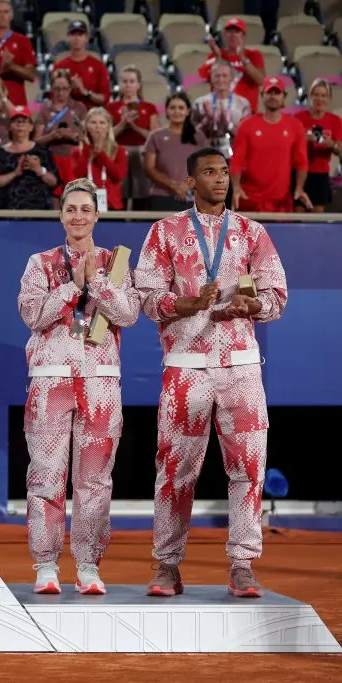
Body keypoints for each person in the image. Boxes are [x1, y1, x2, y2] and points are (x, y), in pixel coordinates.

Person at [135, 147, 288, 599]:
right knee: (175, 470)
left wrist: (250, 305)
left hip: (241, 366)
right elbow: (145, 295)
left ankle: (242, 564)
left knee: (248, 468)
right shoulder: (165, 232)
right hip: (185, 367)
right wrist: (187, 304)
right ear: (190, 183)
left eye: (223, 172)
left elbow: (277, 294)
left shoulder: (251, 232)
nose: (219, 179)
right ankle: (167, 565)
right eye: (208, 172)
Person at [18, 177, 139, 595]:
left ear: (97, 215)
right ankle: (46, 565)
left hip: (101, 381)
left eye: (86, 209)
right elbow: (33, 315)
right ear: (61, 214)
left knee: (94, 481)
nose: (78, 216)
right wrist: (74, 285)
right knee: (47, 475)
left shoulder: (117, 262)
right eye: (71, 209)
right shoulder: (41, 262)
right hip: (51, 379)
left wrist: (98, 281)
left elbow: (126, 315)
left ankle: (88, 565)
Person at [230, 76, 309, 213]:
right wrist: (236, 188)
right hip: (250, 200)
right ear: (262, 96)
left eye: (277, 93)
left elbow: (301, 161)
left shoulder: (295, 126)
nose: (273, 97)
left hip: (281, 202)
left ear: (284, 97)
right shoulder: (247, 125)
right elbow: (236, 161)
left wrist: (299, 188)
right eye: (269, 92)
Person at [0, 105, 59, 210]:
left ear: (31, 127)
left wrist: (39, 169)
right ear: (9, 127)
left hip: (38, 211)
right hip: (5, 211)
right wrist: (15, 173)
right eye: (16, 121)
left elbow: (53, 182)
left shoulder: (42, 151)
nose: (20, 125)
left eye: (24, 121)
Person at [106, 66, 159, 209]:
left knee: (141, 194)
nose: (127, 84)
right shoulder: (110, 107)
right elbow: (106, 136)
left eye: (131, 81)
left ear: (138, 85)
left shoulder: (149, 107)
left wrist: (134, 127)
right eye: (124, 81)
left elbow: (154, 136)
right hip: (117, 153)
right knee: (119, 194)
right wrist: (123, 124)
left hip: (142, 153)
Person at [145, 93, 208, 212]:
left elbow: (205, 167)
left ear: (188, 111)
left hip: (192, 198)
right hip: (161, 197)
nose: (176, 111)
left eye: (181, 108)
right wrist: (174, 186)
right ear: (167, 111)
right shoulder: (155, 136)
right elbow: (149, 169)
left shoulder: (199, 137)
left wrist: (187, 185)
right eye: (172, 108)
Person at [294, 79, 342, 213]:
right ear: (310, 97)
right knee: (299, 214)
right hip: (299, 174)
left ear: (329, 98)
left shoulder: (335, 121)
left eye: (323, 95)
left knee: (317, 215)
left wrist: (331, 144)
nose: (319, 99)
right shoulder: (298, 118)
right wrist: (303, 141)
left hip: (321, 175)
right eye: (316, 95)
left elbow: (339, 150)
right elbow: (289, 146)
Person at [197, 17, 265, 113]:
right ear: (224, 35)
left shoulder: (254, 55)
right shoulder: (216, 55)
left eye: (237, 32)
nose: (233, 35)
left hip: (246, 112)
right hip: (220, 112)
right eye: (229, 32)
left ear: (244, 36)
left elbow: (260, 80)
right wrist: (217, 58)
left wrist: (242, 57)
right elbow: (203, 76)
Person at [191, 59, 251, 161]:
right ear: (211, 78)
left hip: (235, 155)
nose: (220, 79)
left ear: (231, 78)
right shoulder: (199, 103)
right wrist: (207, 120)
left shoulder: (243, 103)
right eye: (217, 76)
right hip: (205, 154)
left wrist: (228, 124)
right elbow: (192, 136)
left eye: (224, 75)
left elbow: (247, 136)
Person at [71, 108, 128, 212]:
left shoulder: (119, 150)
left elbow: (119, 175)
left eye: (102, 122)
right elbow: (78, 175)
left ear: (108, 126)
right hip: (84, 207)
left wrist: (101, 154)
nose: (98, 126)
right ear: (86, 126)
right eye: (93, 122)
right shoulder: (78, 151)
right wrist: (87, 149)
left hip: (112, 206)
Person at [52, 20, 109, 108]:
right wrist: (69, 88)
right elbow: (53, 98)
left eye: (80, 35)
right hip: (66, 113)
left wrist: (85, 92)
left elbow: (104, 98)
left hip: (91, 114)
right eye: (73, 34)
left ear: (86, 38)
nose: (76, 38)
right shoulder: (60, 66)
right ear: (67, 37)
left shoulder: (98, 66)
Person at [33, 69, 86, 159]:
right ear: (51, 88)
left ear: (70, 88)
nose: (61, 93)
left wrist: (73, 137)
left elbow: (88, 139)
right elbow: (36, 142)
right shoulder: (44, 109)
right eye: (57, 89)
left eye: (65, 89)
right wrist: (51, 137)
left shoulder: (79, 107)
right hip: (51, 158)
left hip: (76, 158)